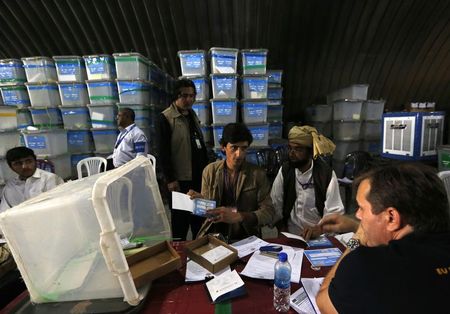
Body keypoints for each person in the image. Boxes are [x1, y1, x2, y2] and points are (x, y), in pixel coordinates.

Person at [316, 163, 450, 314]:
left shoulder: (365, 265)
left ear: (391, 218)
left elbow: (324, 301)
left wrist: (358, 236)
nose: (358, 216)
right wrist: (357, 225)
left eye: (361, 208)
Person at [188, 123, 275, 242]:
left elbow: (268, 212)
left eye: (243, 148)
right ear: (223, 147)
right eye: (234, 148)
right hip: (214, 234)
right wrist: (199, 202)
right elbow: (207, 212)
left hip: (246, 236)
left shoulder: (257, 174)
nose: (239, 154)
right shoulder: (210, 171)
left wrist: (240, 216)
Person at [270, 125, 344, 239]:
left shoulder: (326, 174)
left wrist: (318, 230)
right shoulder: (286, 170)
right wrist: (281, 229)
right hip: (290, 235)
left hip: (320, 236)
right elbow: (275, 204)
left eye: (298, 149)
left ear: (310, 152)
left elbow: (334, 213)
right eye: (290, 148)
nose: (291, 153)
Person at [157, 78, 209, 241]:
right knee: (180, 220)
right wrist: (170, 179)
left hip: (199, 177)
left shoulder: (192, 115)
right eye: (185, 96)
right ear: (176, 96)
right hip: (180, 180)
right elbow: (162, 152)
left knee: (199, 218)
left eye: (192, 96)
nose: (189, 100)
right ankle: (180, 256)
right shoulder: (166, 118)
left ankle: (200, 250)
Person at [0, 147, 64, 213]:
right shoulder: (10, 186)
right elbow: (4, 212)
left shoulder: (50, 179)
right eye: (18, 163)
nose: (24, 166)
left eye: (28, 161)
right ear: (11, 167)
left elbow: (60, 208)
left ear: (35, 161)